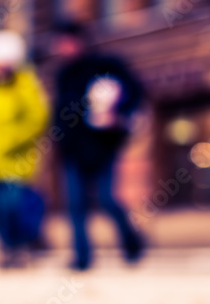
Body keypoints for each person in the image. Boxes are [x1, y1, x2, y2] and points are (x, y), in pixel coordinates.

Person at [52, 21, 146, 271]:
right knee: (76, 205)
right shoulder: (63, 75)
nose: (62, 48)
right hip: (73, 151)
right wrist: (59, 140)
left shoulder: (105, 66)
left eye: (66, 43)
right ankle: (82, 257)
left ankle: (131, 243)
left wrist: (121, 115)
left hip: (102, 148)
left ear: (79, 41)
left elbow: (134, 91)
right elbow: (59, 113)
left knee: (107, 199)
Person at [0, 30, 50, 268]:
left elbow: (37, 119)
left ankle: (24, 248)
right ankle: (7, 250)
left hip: (17, 161)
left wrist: (13, 142)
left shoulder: (25, 86)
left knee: (17, 208)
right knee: (0, 213)